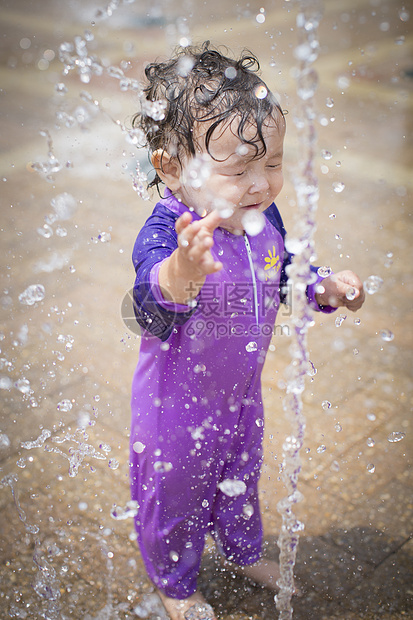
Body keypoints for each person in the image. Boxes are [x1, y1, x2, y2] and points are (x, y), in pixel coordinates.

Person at [129, 42, 365, 620]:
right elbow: (150, 303)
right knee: (175, 495)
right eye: (239, 171)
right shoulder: (171, 233)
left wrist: (324, 287)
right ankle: (176, 581)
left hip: (240, 393)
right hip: (175, 406)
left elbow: (288, 270)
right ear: (171, 168)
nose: (261, 184)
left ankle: (242, 549)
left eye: (273, 163)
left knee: (241, 473)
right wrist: (184, 272)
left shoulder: (264, 218)